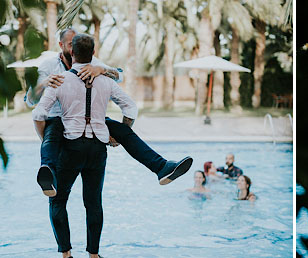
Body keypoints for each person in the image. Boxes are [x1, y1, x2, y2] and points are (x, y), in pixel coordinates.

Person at [32, 27, 193, 198]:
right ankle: (47, 172)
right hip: (57, 119)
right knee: (51, 134)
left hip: (91, 119)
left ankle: (162, 167)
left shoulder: (93, 62)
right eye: (71, 43)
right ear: (63, 45)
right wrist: (44, 84)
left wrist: (102, 70)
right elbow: (31, 99)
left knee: (123, 130)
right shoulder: (48, 66)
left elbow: (119, 75)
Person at [32, 33, 135, 258]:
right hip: (97, 146)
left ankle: (66, 254)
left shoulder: (60, 79)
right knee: (93, 203)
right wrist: (121, 132)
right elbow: (130, 106)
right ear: (94, 52)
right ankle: (94, 255)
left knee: (58, 199)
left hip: (69, 144)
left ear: (72, 51)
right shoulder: (54, 69)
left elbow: (37, 113)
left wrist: (45, 140)